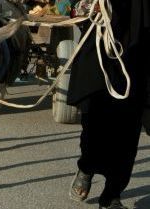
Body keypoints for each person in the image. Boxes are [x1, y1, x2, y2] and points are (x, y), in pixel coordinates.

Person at [67, 0, 150, 208]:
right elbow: (76, 5)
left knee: (129, 130)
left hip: (141, 51)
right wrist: (86, 5)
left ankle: (112, 194)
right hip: (101, 45)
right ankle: (87, 166)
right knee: (94, 122)